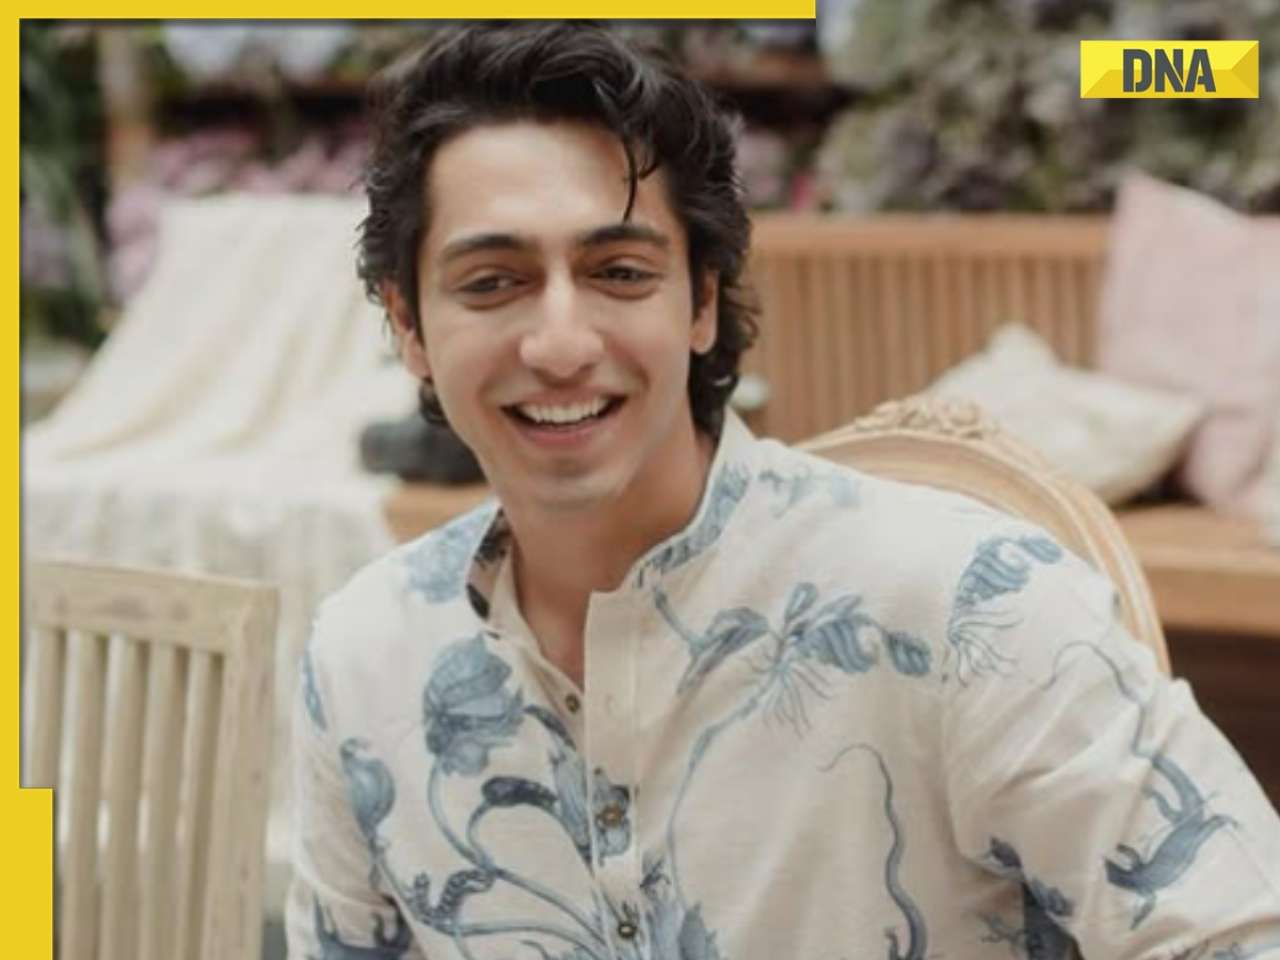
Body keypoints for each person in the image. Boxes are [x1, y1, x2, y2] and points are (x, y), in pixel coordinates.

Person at [286, 22, 1280, 960]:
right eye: (491, 283)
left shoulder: (966, 604)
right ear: (408, 326)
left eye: (619, 272)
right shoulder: (364, 656)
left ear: (701, 301)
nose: (559, 344)